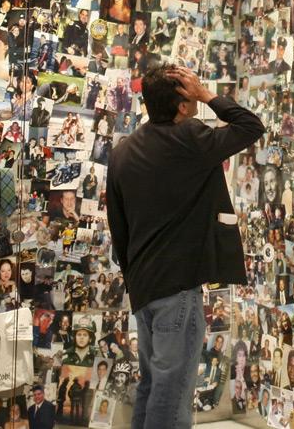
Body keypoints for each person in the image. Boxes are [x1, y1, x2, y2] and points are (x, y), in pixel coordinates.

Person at [106, 65, 264, 428]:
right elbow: (250, 126)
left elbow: (119, 228)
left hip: (144, 288)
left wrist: (134, 281)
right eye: (190, 93)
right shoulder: (190, 138)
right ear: (182, 104)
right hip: (176, 289)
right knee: (173, 393)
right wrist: (208, 95)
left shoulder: (123, 152)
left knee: (153, 386)